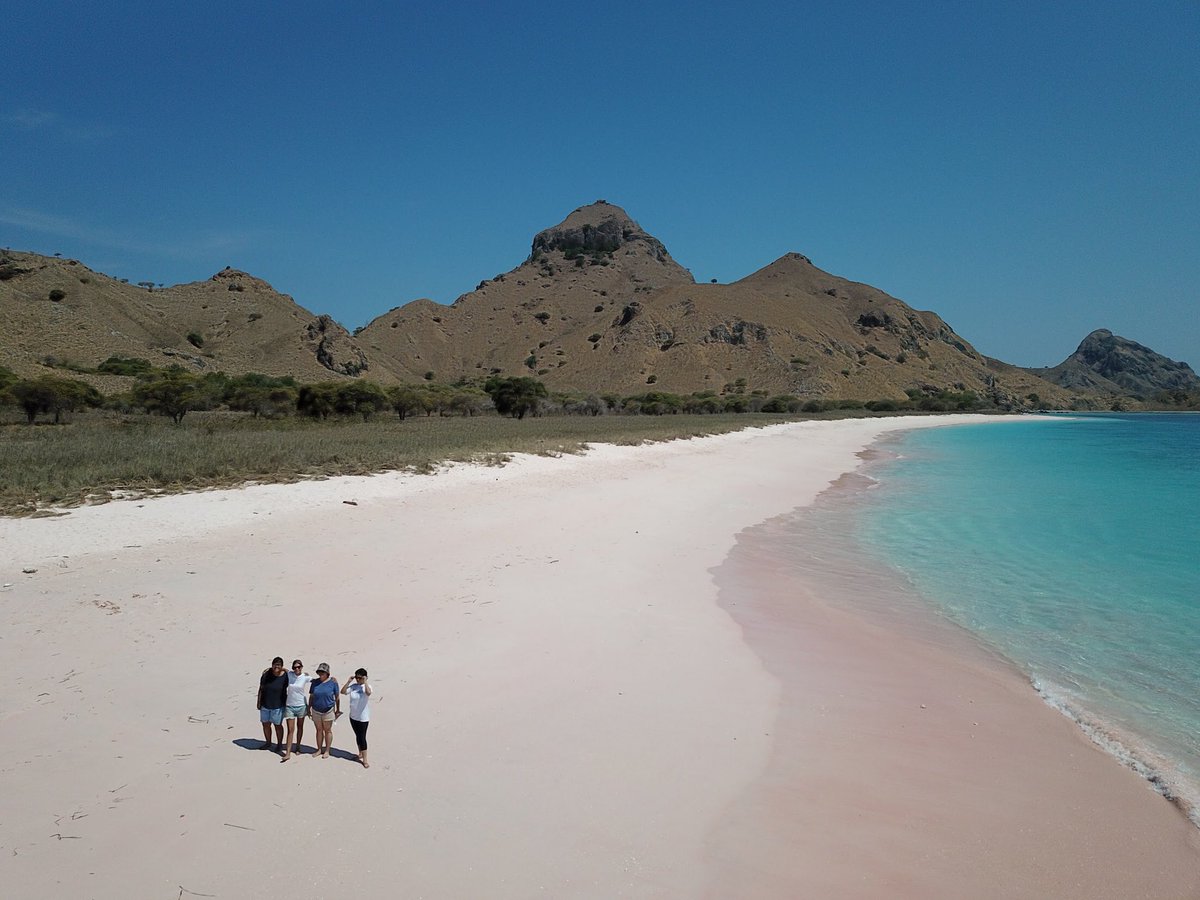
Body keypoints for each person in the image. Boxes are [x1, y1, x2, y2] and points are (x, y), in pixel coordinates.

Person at [341, 667, 373, 768]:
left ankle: (365, 759)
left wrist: (365, 682)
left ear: (364, 678)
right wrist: (348, 682)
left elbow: (368, 693)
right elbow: (343, 692)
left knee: (362, 737)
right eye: (357, 678)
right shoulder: (353, 686)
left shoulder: (367, 686)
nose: (358, 680)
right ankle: (360, 753)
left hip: (363, 717)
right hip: (353, 716)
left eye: (360, 678)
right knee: (357, 736)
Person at [308, 663, 340, 758]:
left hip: (328, 710)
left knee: (327, 730)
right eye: (319, 672)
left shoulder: (333, 683)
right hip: (316, 710)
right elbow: (311, 696)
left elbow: (337, 697)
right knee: (319, 730)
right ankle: (319, 749)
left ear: (327, 673)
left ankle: (327, 750)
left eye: (323, 672)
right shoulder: (315, 682)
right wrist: (308, 708)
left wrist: (338, 710)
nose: (321, 674)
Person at [281, 659, 311, 761]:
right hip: (290, 706)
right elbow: (282, 669)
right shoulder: (290, 674)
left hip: (301, 705)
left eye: (298, 667)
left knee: (300, 727)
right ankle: (288, 753)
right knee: (290, 730)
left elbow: (317, 680)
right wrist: (268, 669)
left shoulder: (305, 677)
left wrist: (331, 679)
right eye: (294, 667)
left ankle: (298, 746)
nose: (296, 669)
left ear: (301, 667)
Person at [256, 657, 288, 753]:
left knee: (277, 725)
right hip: (265, 704)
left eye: (279, 665)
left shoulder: (286, 676)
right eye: (275, 664)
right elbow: (261, 688)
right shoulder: (266, 674)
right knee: (265, 724)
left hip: (278, 706)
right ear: (272, 665)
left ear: (282, 666)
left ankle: (279, 744)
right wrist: (258, 702)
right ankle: (268, 742)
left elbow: (295, 677)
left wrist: (285, 670)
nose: (276, 667)